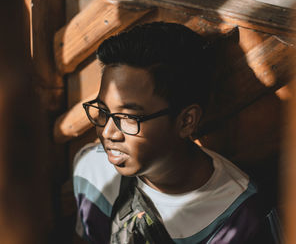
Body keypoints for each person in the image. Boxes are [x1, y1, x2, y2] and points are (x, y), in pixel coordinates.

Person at [74, 22, 281, 243]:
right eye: (103, 111)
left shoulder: (238, 219)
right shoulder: (92, 171)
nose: (108, 133)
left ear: (186, 121)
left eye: (128, 117)